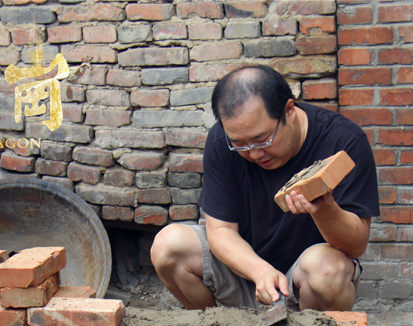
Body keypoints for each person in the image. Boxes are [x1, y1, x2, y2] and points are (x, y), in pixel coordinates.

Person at [150, 65, 379, 312]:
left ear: (289, 110)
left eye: (263, 139)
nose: (254, 153)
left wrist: (325, 209)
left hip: (304, 285)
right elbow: (221, 231)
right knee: (168, 245)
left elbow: (355, 246)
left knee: (329, 270)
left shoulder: (343, 141)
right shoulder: (222, 142)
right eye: (240, 144)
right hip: (245, 271)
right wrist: (260, 272)